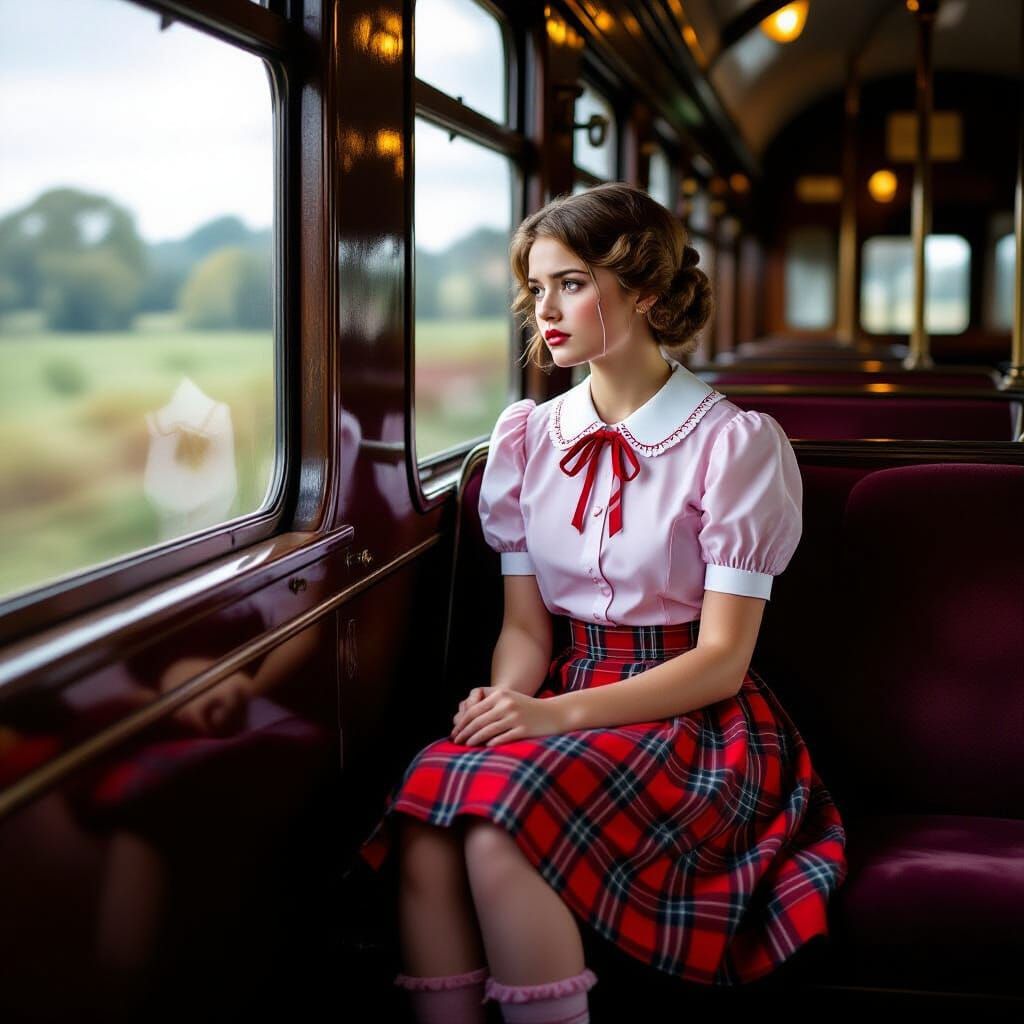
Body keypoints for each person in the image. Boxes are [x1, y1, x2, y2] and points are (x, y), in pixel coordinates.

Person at [349, 182, 848, 1023]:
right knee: (427, 810)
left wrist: (554, 718)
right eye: (536, 288)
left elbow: (723, 662)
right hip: (566, 684)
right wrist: (513, 696)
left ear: (647, 291)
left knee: (496, 825)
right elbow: (523, 628)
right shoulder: (526, 440)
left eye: (571, 283)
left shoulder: (733, 445)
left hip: (691, 718)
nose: (544, 309)